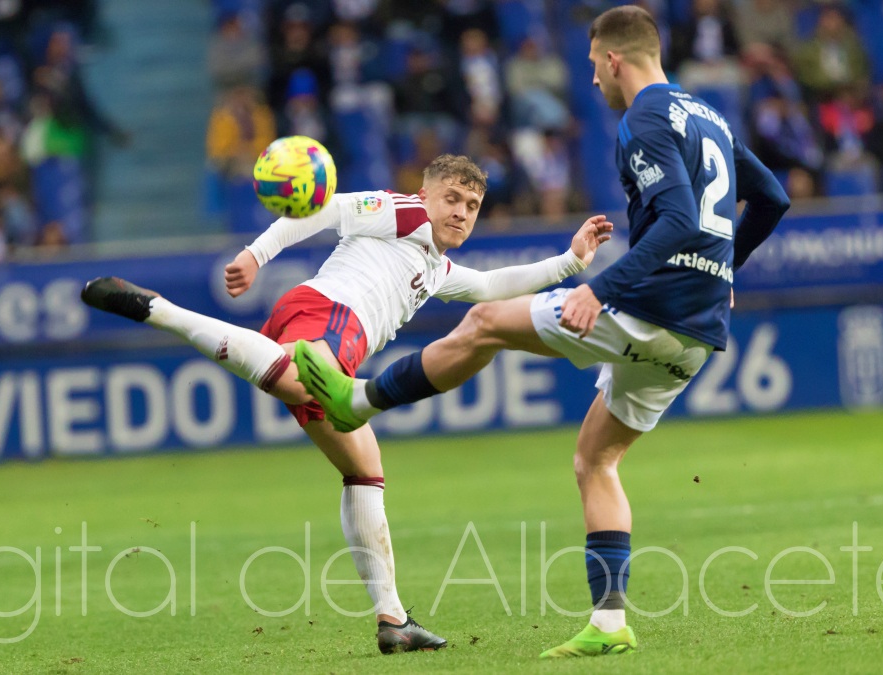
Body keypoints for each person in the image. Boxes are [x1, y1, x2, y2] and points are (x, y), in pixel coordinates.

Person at [295, 6, 791, 659]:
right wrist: (726, 268)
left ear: (613, 59)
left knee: (482, 322)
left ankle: (356, 400)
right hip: (697, 331)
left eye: (593, 66)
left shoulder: (642, 116)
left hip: (647, 306)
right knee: (596, 459)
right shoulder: (710, 117)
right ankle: (609, 624)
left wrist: (600, 288)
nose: (593, 80)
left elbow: (675, 217)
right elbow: (773, 196)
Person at [80, 154, 613, 654]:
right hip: (329, 316)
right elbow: (324, 211)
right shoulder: (401, 212)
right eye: (451, 198)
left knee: (364, 469)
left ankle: (394, 621)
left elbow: (493, 284)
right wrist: (255, 254)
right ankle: (161, 311)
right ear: (424, 194)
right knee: (302, 385)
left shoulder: (437, 268)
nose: (461, 212)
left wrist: (571, 261)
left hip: (327, 336)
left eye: (472, 206)